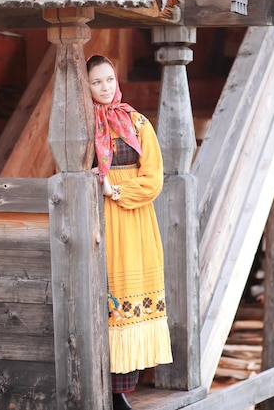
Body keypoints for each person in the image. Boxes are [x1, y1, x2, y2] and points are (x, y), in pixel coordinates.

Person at [86, 55, 173, 410]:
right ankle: (99, 385)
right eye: (96, 83)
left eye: (109, 80)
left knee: (129, 293)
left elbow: (153, 179)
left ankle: (121, 391)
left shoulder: (137, 122)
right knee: (101, 295)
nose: (105, 88)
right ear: (86, 86)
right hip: (95, 219)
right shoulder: (81, 125)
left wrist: (116, 190)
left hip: (132, 218)